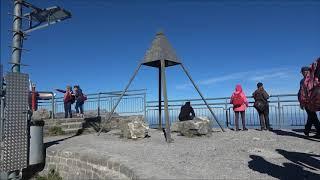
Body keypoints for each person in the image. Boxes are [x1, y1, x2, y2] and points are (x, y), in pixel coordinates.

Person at [298, 66, 320, 137]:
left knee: (312, 116)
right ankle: (309, 131)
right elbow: (300, 92)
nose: (303, 73)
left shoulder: (313, 79)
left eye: (304, 72)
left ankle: (308, 131)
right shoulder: (302, 81)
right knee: (312, 116)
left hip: (312, 101)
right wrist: (301, 102)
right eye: (302, 72)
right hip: (306, 101)